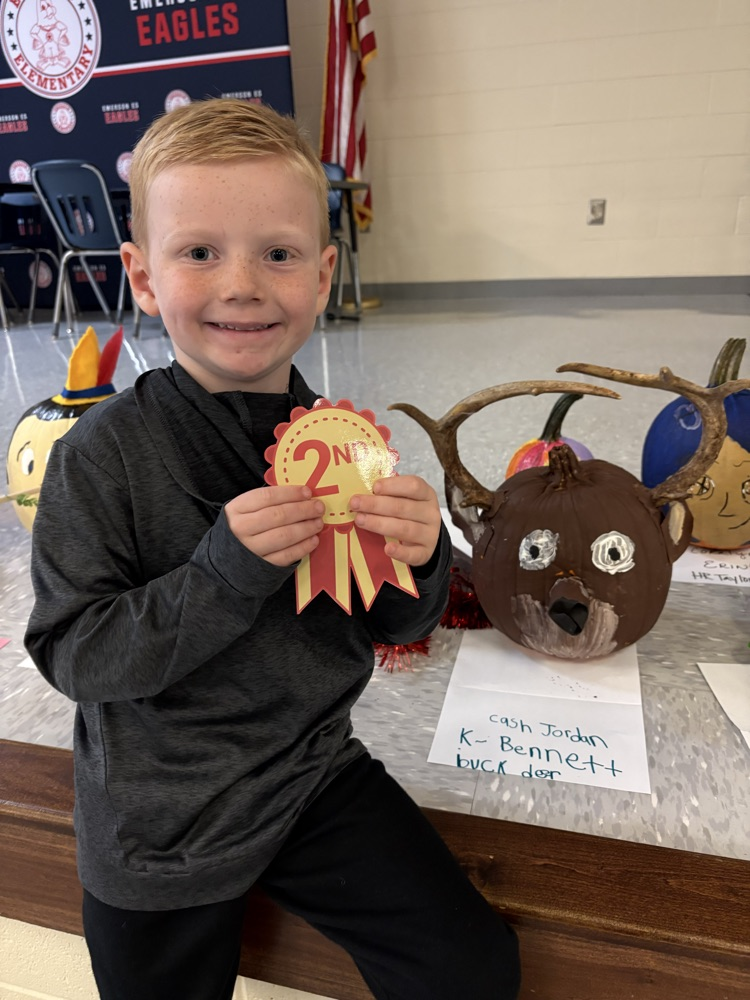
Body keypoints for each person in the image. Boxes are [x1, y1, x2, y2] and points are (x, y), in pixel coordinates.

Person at [25, 98, 520, 1000]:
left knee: (471, 967)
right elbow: (76, 653)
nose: (243, 283)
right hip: (157, 815)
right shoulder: (99, 460)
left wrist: (418, 565)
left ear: (324, 273)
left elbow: (388, 623)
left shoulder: (344, 445)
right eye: (200, 252)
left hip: (310, 773)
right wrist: (224, 573)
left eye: (280, 253)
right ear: (141, 275)